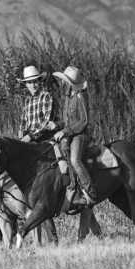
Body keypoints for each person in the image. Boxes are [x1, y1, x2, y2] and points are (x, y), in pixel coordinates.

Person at [52, 65, 96, 205]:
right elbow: (67, 121)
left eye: (64, 81)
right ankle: (71, 185)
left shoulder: (80, 96)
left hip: (81, 134)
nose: (62, 82)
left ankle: (90, 191)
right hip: (71, 133)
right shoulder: (67, 97)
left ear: (69, 83)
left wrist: (64, 132)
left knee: (75, 159)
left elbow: (83, 121)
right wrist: (56, 125)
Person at [16, 65, 58, 143]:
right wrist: (21, 132)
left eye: (35, 82)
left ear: (39, 82)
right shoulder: (27, 101)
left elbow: (46, 122)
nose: (33, 85)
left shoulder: (46, 96)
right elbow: (23, 121)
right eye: (29, 82)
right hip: (29, 138)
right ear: (26, 84)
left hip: (44, 138)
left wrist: (31, 136)